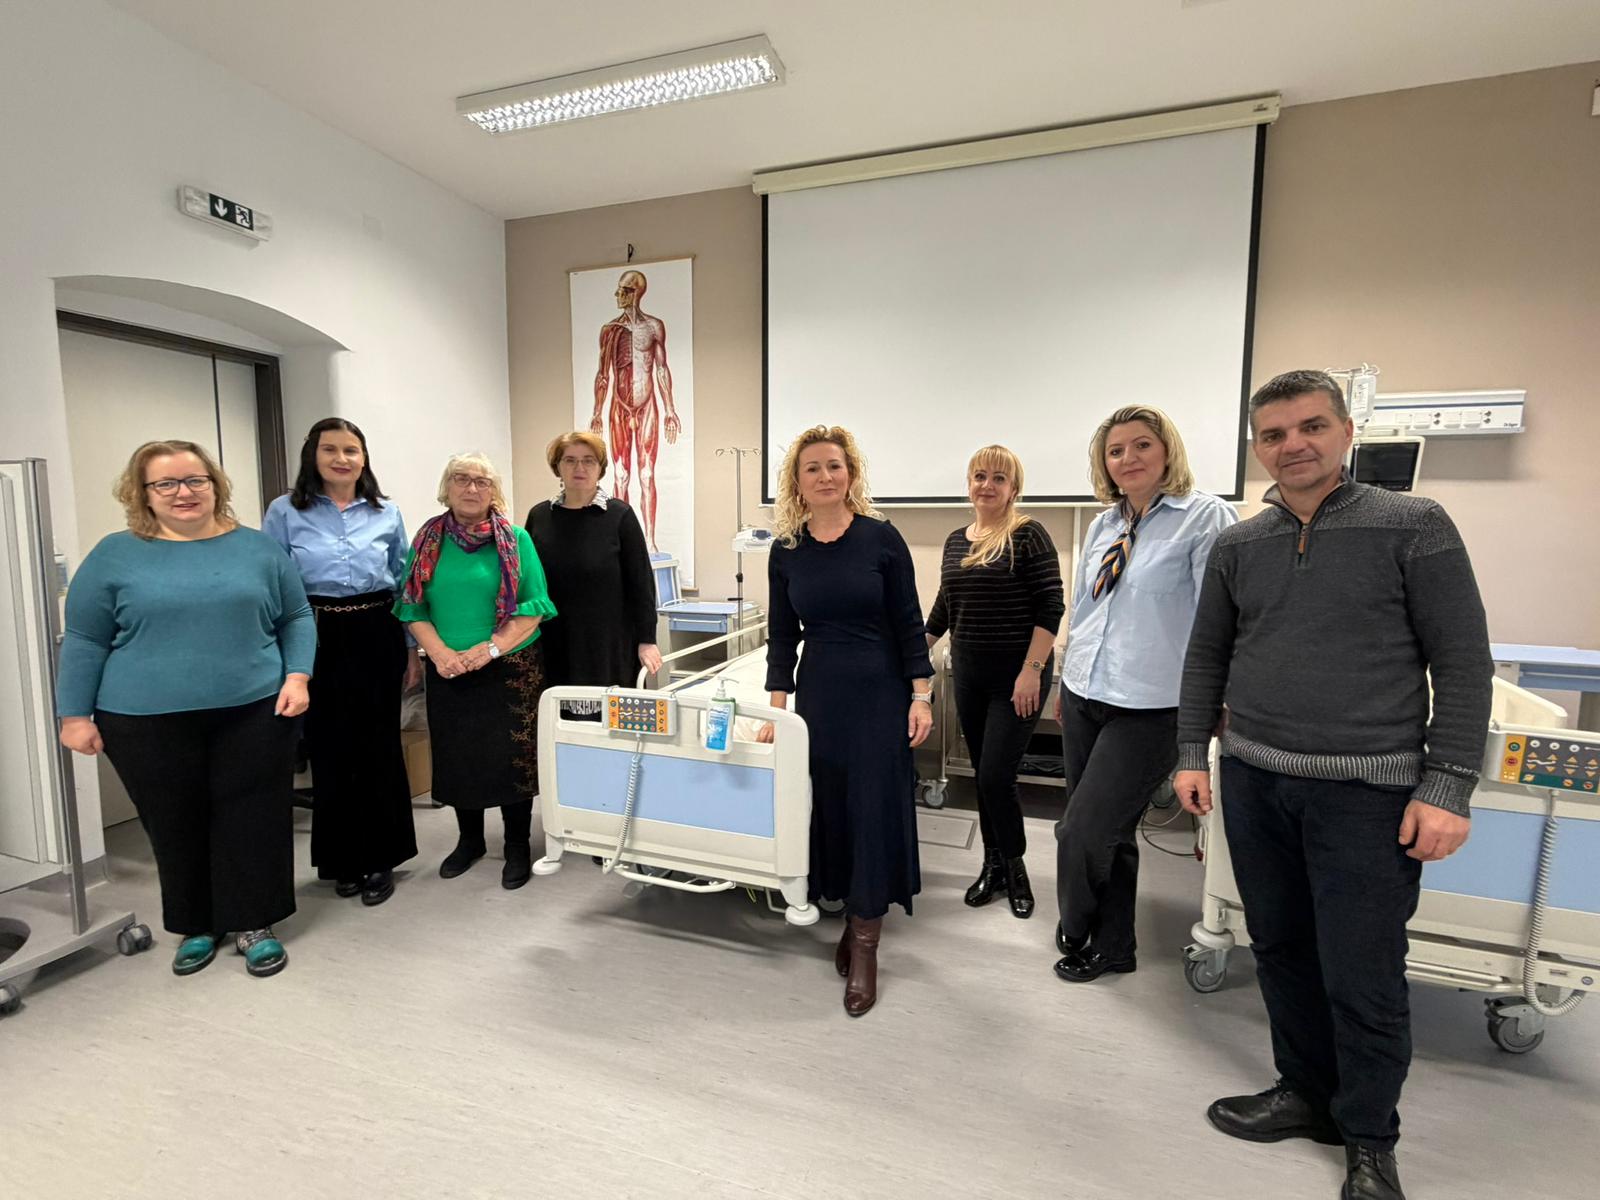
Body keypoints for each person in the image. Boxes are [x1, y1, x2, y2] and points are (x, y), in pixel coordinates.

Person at [1174, 370, 1493, 1200]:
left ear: (1347, 432)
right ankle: (1305, 1094)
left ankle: (1369, 1138)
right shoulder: (1240, 543)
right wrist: (1189, 753)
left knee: (1362, 973)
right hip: (1256, 780)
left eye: (1311, 426)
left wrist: (1448, 786)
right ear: (1257, 448)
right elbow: (1207, 656)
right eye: (1274, 434)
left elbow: (1463, 663)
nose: (1294, 446)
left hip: (1368, 794)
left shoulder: (1413, 525)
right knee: (1280, 949)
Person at [57, 440, 313, 979]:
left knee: (253, 816)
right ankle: (198, 923)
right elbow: (84, 637)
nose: (183, 492)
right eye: (166, 483)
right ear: (143, 493)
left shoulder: (258, 549)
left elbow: (295, 616)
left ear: (215, 485)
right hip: (142, 717)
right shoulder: (114, 554)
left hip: (254, 708)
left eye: (196, 480)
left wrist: (297, 675)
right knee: (174, 820)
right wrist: (74, 715)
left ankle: (254, 921)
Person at [1054, 406, 1236, 983]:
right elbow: (1085, 611)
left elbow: (1222, 621)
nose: (1127, 458)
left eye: (1141, 445)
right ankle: (1114, 947)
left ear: (1167, 451)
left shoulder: (1205, 518)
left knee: (1082, 831)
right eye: (1115, 451)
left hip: (1153, 706)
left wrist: (1215, 704)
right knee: (1111, 831)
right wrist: (1067, 677)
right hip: (1085, 693)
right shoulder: (1104, 525)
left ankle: (1075, 922)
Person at [758, 426, 933, 1017]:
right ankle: (856, 914)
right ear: (797, 481)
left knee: (871, 810)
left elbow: (909, 623)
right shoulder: (786, 550)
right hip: (821, 696)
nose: (825, 476)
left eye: (834, 465)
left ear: (850, 473)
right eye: (812, 468)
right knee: (832, 807)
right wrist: (777, 711)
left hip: (879, 694)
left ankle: (866, 946)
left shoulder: (881, 538)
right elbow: (782, 636)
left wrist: (921, 696)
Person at [263, 418, 419, 908]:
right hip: (315, 631)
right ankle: (341, 859)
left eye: (351, 450)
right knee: (328, 749)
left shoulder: (386, 511)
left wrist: (412, 648)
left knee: (378, 747)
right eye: (330, 449)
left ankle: (381, 857)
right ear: (313, 455)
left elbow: (404, 582)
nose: (341, 459)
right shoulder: (285, 511)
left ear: (363, 458)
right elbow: (273, 584)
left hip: (377, 630)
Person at [395, 452, 557, 890]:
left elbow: (534, 607)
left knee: (512, 760)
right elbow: (411, 606)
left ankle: (518, 845)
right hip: (447, 666)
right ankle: (470, 841)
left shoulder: (516, 538)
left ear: (494, 491)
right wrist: (439, 653)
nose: (471, 488)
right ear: (446, 487)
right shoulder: (427, 540)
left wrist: (490, 648)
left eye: (482, 481)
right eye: (461, 479)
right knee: (458, 756)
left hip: (510, 663)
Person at [925, 446, 1064, 919]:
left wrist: (1032, 670)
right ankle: (993, 866)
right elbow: (946, 606)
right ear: (969, 483)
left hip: (1017, 677)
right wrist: (915, 650)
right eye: (979, 476)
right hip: (969, 674)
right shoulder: (955, 541)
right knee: (985, 776)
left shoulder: (1028, 535)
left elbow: (1051, 607)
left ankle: (1016, 869)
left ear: (1014, 488)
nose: (987, 485)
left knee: (994, 776)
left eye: (999, 478)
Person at [524, 431, 661, 705]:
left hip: (607, 642)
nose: (580, 468)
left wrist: (647, 639)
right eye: (570, 460)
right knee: (558, 716)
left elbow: (641, 583)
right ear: (557, 467)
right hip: (554, 638)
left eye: (588, 460)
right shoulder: (539, 516)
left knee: (606, 717)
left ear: (600, 468)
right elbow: (527, 580)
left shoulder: (619, 516)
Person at [589, 269, 682, 550]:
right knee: (620, 474)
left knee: (647, 475)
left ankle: (650, 542)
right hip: (619, 406)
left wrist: (670, 409)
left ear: (636, 293)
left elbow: (661, 368)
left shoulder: (653, 327)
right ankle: (622, 542)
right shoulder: (610, 330)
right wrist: (597, 411)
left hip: (647, 405)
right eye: (618, 290)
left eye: (624, 290)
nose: (618, 295)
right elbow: (603, 373)